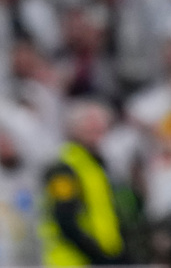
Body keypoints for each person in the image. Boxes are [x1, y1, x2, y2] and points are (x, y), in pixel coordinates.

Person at [37, 100, 136, 266]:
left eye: (100, 128)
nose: (97, 134)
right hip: (72, 261)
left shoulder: (96, 165)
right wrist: (99, 256)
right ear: (74, 129)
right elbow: (65, 220)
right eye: (90, 128)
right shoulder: (63, 168)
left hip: (100, 258)